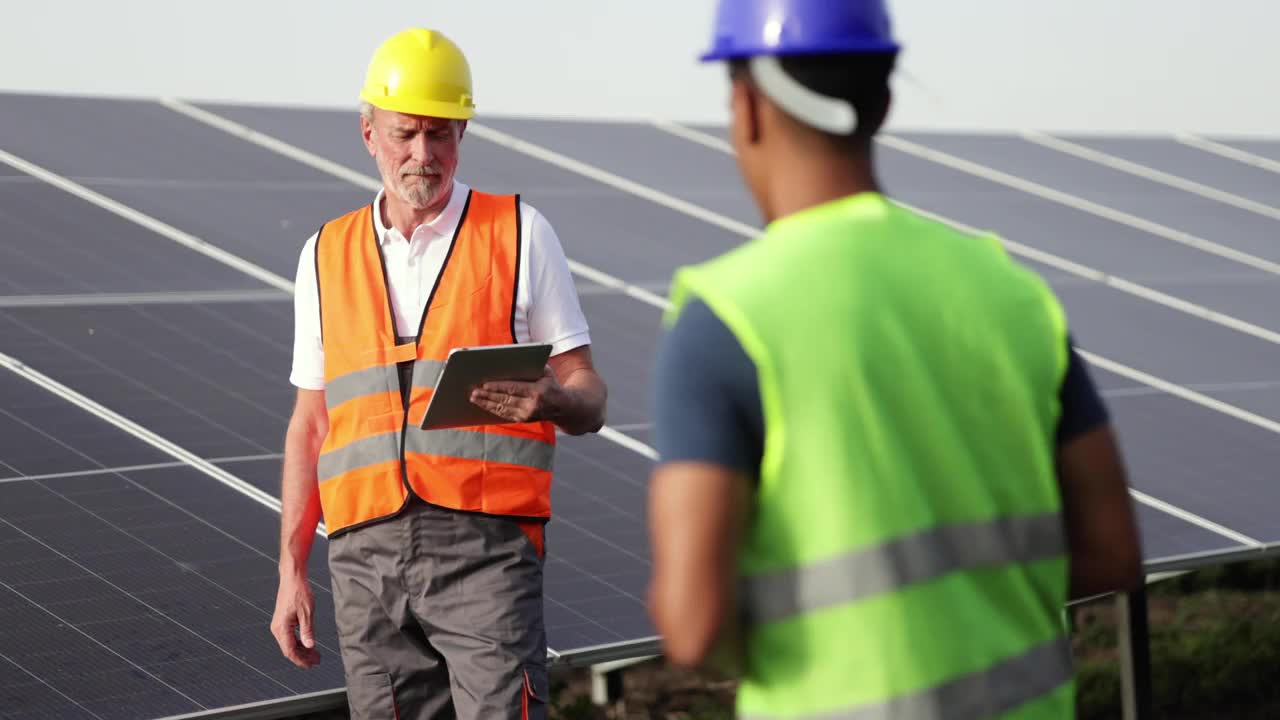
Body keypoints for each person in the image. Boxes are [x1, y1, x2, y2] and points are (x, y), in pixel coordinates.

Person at [646, 1, 1143, 717]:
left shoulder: (725, 321)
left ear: (747, 106)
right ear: (881, 101)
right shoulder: (1012, 294)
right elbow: (1114, 550)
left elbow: (693, 628)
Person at [270, 27, 607, 720]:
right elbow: (311, 426)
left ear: (461, 136)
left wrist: (553, 400)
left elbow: (591, 395)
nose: (423, 154)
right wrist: (289, 572)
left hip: (486, 552)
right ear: (369, 133)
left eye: (441, 135)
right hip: (363, 561)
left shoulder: (519, 232)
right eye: (405, 134)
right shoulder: (323, 253)